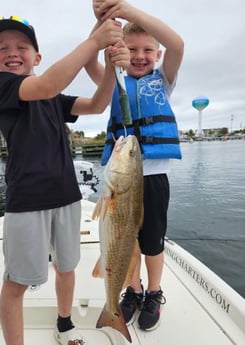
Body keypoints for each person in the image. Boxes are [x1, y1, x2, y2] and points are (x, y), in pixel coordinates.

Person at [0, 15, 129, 345]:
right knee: (17, 282)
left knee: (67, 268)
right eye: (2, 47)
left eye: (22, 46)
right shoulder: (3, 87)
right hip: (26, 202)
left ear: (37, 58)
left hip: (67, 196)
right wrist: (94, 43)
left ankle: (64, 324)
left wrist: (108, 66)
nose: (12, 52)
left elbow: (97, 104)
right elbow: (47, 84)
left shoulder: (54, 98)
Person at [87, 0, 184, 331]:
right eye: (132, 49)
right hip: (119, 179)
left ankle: (153, 293)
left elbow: (177, 44)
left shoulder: (164, 81)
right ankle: (133, 290)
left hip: (153, 179)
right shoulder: (113, 81)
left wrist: (130, 12)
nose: (140, 56)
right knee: (126, 242)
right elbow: (88, 58)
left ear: (157, 55)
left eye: (147, 50)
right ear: (119, 51)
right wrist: (102, 27)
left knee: (153, 241)